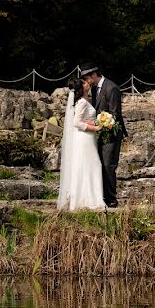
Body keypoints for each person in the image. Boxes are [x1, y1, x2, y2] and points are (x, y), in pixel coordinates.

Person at [56, 68, 106, 211]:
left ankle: (85, 198)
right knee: (93, 164)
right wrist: (96, 128)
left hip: (87, 138)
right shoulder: (82, 103)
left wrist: (93, 123)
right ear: (81, 87)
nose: (87, 83)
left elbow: (83, 119)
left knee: (87, 165)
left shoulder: (84, 100)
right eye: (84, 83)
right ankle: (89, 199)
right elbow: (76, 122)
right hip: (84, 138)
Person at [81, 64, 126, 208]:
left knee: (108, 166)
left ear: (94, 75)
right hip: (98, 133)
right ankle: (100, 197)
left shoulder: (111, 88)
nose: (86, 82)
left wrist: (97, 123)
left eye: (87, 78)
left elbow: (114, 114)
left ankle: (111, 200)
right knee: (98, 165)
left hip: (111, 134)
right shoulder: (93, 89)